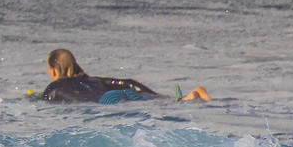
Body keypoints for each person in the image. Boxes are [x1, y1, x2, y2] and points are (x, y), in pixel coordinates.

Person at [38, 48, 210, 103]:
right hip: (122, 93)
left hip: (108, 100)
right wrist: (156, 95)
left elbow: (42, 100)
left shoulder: (54, 88)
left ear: (53, 71)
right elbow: (127, 83)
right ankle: (188, 97)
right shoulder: (92, 80)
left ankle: (189, 98)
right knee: (159, 103)